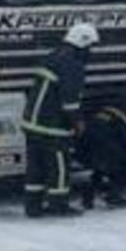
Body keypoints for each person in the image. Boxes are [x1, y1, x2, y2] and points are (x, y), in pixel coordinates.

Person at [21, 22, 97, 217]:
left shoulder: (54, 56)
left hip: (32, 122)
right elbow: (69, 102)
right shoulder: (73, 64)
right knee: (59, 166)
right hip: (52, 126)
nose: (91, 52)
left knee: (35, 167)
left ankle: (33, 206)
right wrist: (78, 122)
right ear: (83, 44)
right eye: (91, 47)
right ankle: (58, 205)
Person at [79, 94, 126, 209]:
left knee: (100, 166)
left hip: (85, 145)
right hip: (103, 144)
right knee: (123, 165)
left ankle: (88, 194)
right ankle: (114, 196)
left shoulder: (115, 109)